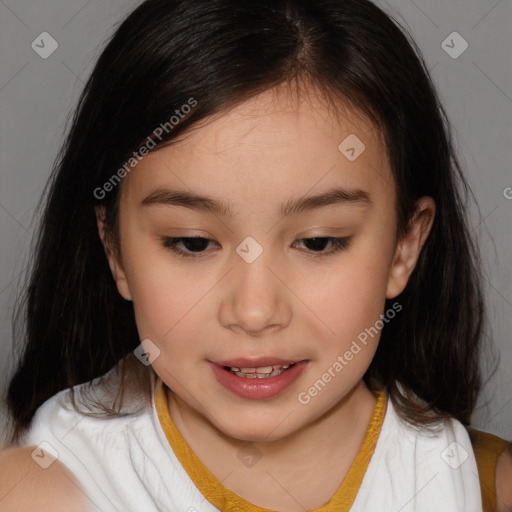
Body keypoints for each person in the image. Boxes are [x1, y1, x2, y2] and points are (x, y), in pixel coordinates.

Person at [1, 0, 511, 511]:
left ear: (405, 247)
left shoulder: (484, 487)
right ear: (115, 249)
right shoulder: (37, 490)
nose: (254, 311)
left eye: (317, 242)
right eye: (193, 243)